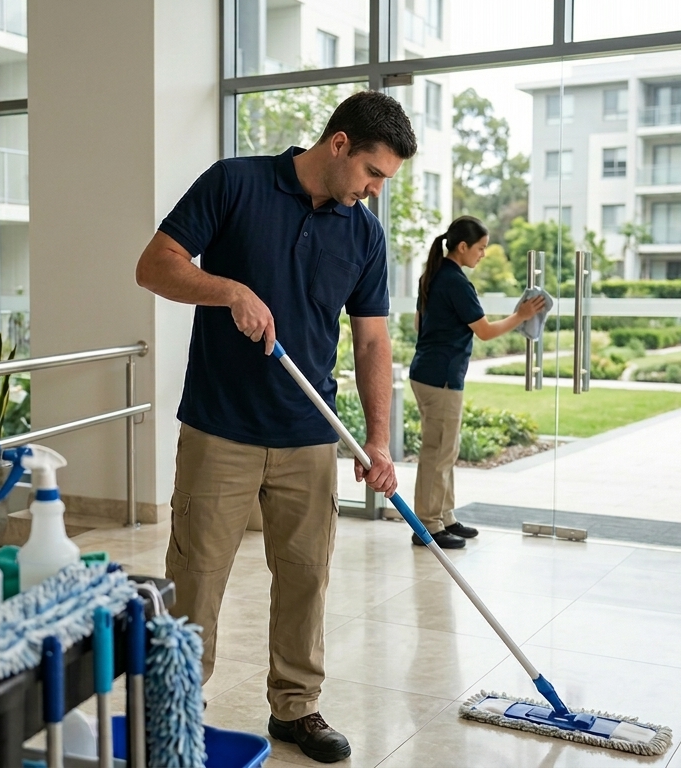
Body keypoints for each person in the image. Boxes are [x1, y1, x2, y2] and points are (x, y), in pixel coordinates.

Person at [134, 91, 416, 764]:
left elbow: (372, 342)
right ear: (340, 144)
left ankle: (297, 708)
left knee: (305, 576)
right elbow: (154, 265)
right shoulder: (235, 183)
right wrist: (227, 289)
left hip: (307, 433)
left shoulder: (364, 234)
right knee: (197, 574)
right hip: (219, 427)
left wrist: (377, 440)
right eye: (373, 174)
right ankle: (180, 701)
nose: (376, 192)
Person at [407, 216, 546, 549]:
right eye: (481, 248)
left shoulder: (436, 275)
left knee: (445, 450)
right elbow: (484, 331)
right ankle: (427, 526)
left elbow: (419, 324)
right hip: (439, 378)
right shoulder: (454, 281)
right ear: (463, 247)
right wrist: (521, 316)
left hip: (431, 373)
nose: (483, 255)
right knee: (438, 452)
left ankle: (445, 516)